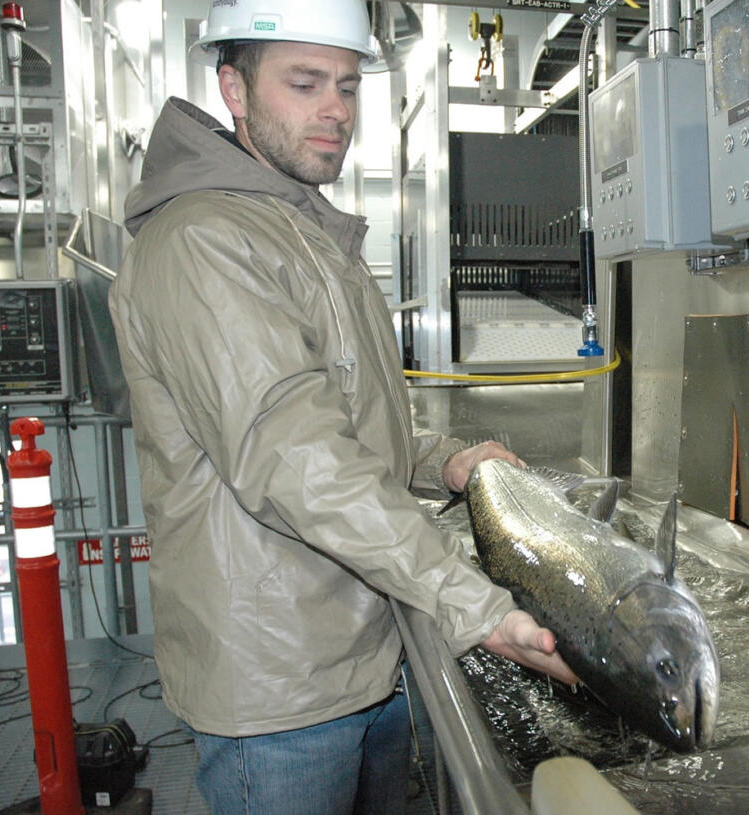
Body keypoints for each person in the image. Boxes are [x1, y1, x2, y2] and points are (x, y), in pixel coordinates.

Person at [108, 2, 577, 812]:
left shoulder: (308, 233)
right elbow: (294, 459)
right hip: (280, 689)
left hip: (368, 646)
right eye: (304, 82)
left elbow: (346, 417)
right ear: (234, 88)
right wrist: (474, 607)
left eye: (348, 85)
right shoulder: (205, 240)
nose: (335, 108)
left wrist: (444, 460)